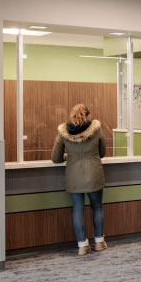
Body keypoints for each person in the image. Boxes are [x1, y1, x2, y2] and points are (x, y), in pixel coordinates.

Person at [53, 103, 110, 255]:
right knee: (97, 207)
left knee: (78, 210)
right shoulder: (96, 129)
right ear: (88, 115)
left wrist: (69, 156)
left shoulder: (63, 132)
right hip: (94, 174)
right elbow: (102, 152)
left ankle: (82, 246)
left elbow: (55, 158)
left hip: (74, 176)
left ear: (72, 116)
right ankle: (99, 242)